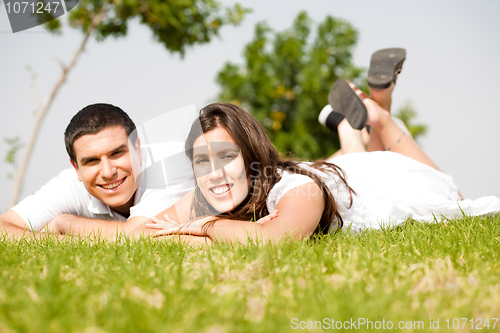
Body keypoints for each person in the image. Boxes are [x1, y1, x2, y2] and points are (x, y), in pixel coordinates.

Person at [141, 75, 500, 242]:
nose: (215, 173)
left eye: (226, 156)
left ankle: (381, 119)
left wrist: (201, 227)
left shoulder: (298, 193)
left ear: (251, 155)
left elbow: (274, 241)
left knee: (454, 200)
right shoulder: (209, 192)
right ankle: (350, 127)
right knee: (355, 154)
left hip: (385, 182)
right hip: (345, 170)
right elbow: (144, 233)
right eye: (202, 161)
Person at [0, 103, 194, 239]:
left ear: (138, 150)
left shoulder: (171, 161)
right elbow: (3, 228)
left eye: (117, 153)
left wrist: (66, 224)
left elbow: (139, 234)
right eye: (91, 161)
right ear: (76, 168)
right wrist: (60, 242)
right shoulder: (71, 184)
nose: (108, 172)